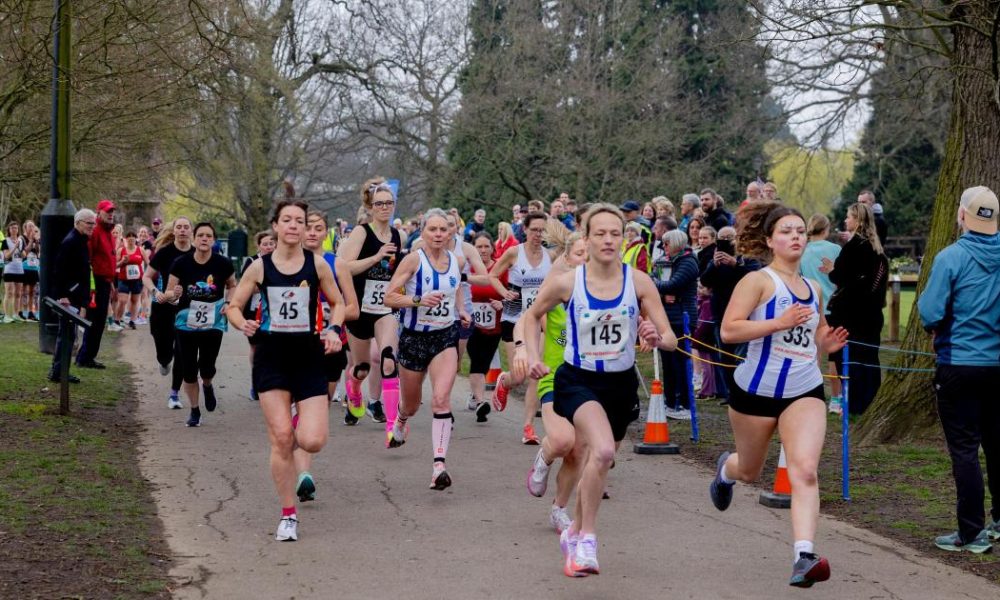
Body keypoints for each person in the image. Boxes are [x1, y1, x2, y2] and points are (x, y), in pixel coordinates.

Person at [521, 203, 676, 577]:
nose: (608, 240)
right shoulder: (567, 282)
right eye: (601, 233)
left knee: (599, 461)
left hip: (620, 386)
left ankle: (573, 531)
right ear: (586, 239)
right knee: (602, 450)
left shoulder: (639, 282)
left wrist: (656, 336)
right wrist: (531, 354)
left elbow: (670, 338)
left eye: (615, 233)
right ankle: (588, 540)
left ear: (624, 238)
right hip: (578, 380)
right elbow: (531, 315)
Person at [710, 200, 849, 588]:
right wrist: (778, 322)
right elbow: (728, 331)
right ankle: (726, 471)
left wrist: (827, 342)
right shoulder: (757, 282)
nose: (795, 237)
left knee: (804, 470)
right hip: (756, 391)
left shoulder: (814, 288)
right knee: (749, 470)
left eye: (800, 231)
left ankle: (804, 556)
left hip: (804, 390)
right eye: (786, 231)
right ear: (770, 240)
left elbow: (815, 335)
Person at [226, 198, 346, 542]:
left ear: (306, 228)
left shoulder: (317, 264)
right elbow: (234, 306)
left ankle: (294, 423)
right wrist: (242, 323)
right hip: (272, 356)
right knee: (280, 439)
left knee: (313, 440)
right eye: (287, 220)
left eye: (299, 221)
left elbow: (338, 303)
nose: (294, 226)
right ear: (276, 226)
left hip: (309, 356)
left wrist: (334, 330)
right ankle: (288, 515)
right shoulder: (259, 267)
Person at [919, 185, 1000, 554]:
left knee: (965, 448)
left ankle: (972, 532)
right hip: (996, 365)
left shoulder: (951, 257)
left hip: (960, 362)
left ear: (962, 215)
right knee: (997, 443)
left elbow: (930, 311)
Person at [383, 208, 471, 490]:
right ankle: (400, 420)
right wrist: (418, 300)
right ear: (422, 232)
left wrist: (460, 309)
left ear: (451, 231)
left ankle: (439, 466)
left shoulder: (457, 260)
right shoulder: (413, 260)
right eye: (432, 229)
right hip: (414, 338)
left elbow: (456, 287)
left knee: (441, 400)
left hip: (444, 336)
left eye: (443, 229)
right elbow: (389, 298)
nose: (438, 234)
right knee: (412, 404)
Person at [513, 225, 588, 535]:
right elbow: (525, 319)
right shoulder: (559, 289)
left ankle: (559, 509)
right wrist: (523, 350)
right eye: (580, 254)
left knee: (578, 451)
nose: (586, 259)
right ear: (568, 259)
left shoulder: (609, 291)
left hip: (591, 381)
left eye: (590, 254)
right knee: (561, 441)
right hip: (555, 375)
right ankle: (543, 459)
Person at [294, 210, 359, 501]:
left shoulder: (337, 264)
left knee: (319, 407)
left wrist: (331, 318)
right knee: (301, 410)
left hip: (331, 345)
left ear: (325, 233)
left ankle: (301, 452)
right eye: (307, 227)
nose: (311, 232)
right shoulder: (286, 263)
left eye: (318, 228)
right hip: (297, 346)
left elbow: (353, 308)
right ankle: (303, 474)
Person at [338, 177, 402, 426]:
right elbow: (344, 268)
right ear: (371, 207)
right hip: (359, 309)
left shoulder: (397, 235)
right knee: (362, 367)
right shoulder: (361, 232)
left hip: (385, 308)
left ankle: (391, 423)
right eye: (379, 204)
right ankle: (353, 390)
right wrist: (376, 257)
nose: (385, 207)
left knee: (387, 359)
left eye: (389, 203)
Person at [162, 222, 237, 427]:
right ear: (194, 239)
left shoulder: (223, 263)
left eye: (208, 236)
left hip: (213, 322)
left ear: (214, 240)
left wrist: (228, 303)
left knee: (207, 367)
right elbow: (169, 292)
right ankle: (194, 410)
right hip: (186, 323)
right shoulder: (181, 263)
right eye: (201, 235)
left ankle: (208, 385)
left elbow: (232, 285)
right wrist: (174, 294)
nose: (204, 239)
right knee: (188, 369)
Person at [491, 211, 554, 444]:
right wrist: (504, 292)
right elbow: (493, 275)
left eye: (542, 230)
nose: (538, 234)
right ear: (525, 230)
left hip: (540, 321)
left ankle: (528, 427)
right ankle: (505, 380)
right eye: (534, 229)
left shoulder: (551, 256)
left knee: (535, 373)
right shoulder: (513, 252)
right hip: (513, 318)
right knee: (519, 376)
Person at [823, 202, 888, 415]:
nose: (845, 220)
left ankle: (856, 404)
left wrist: (832, 270)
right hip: (871, 314)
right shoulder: (876, 249)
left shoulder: (854, 247)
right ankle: (868, 401)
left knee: (849, 358)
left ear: (858, 220)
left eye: (849, 217)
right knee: (868, 358)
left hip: (852, 315)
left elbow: (841, 276)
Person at [700, 226, 758, 404]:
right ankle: (731, 394)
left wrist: (735, 264)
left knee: (741, 356)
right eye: (722, 238)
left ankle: (745, 393)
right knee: (724, 356)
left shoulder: (747, 257)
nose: (725, 241)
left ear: (737, 238)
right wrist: (713, 265)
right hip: (720, 314)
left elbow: (755, 278)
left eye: (729, 237)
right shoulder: (715, 259)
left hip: (744, 314)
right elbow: (704, 280)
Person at [143, 217, 194, 409]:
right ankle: (164, 360)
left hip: (185, 307)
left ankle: (174, 394)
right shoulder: (164, 253)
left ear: (191, 231)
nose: (182, 230)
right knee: (163, 346)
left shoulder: (196, 253)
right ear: (174, 231)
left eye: (186, 227)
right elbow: (147, 277)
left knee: (181, 350)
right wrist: (155, 292)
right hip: (162, 304)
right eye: (179, 227)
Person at [652, 230, 699, 418]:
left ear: (676, 243)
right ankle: (670, 402)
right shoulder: (664, 261)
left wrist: (656, 284)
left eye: (666, 243)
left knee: (681, 362)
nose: (663, 247)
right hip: (666, 316)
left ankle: (685, 404)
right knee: (668, 363)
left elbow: (673, 284)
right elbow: (653, 282)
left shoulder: (688, 261)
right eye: (663, 243)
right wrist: (661, 291)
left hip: (683, 317)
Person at [800, 215, 843, 413]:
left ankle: (814, 396)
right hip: (833, 307)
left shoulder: (802, 251)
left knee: (813, 354)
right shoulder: (836, 250)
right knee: (835, 356)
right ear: (826, 229)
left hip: (812, 307)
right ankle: (835, 399)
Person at [48, 209, 96, 383]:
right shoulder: (71, 242)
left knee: (69, 335)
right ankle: (59, 372)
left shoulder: (81, 241)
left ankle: (59, 370)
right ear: (78, 223)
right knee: (67, 335)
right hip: (68, 297)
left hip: (74, 295)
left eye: (93, 223)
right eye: (89, 223)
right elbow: (59, 270)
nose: (92, 226)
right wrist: (63, 295)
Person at [466, 232, 506, 422]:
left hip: (494, 327)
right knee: (477, 360)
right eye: (479, 247)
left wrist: (503, 303)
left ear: (492, 248)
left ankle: (476, 395)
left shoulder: (501, 269)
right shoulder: (467, 268)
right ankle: (482, 402)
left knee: (483, 363)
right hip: (470, 325)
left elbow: (512, 293)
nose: (482, 250)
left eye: (486, 246)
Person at [77, 199, 117, 367]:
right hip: (96, 282)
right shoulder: (96, 232)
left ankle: (88, 356)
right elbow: (89, 258)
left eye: (112, 211)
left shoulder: (108, 232)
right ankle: (85, 357)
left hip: (105, 281)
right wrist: (90, 285)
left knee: (99, 322)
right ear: (99, 212)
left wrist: (111, 282)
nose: (111, 214)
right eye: (107, 211)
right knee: (95, 321)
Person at [241, 230, 276, 401]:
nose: (268, 247)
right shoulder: (252, 262)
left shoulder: (280, 261)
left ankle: (273, 381)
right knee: (256, 347)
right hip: (254, 310)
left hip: (274, 310)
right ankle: (256, 383)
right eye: (265, 244)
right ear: (259, 246)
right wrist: (266, 284)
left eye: (271, 243)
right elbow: (246, 287)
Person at [113, 231, 146, 329]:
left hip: (137, 279)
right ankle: (117, 320)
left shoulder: (140, 250)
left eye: (133, 237)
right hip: (123, 279)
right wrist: (122, 261)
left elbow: (149, 262)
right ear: (126, 239)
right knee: (122, 300)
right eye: (129, 237)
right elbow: (115, 266)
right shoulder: (121, 250)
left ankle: (132, 320)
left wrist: (148, 276)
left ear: (136, 239)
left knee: (135, 300)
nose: (131, 238)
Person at [1, 221, 24, 323]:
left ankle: (16, 314)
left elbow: (23, 255)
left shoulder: (21, 240)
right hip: (9, 269)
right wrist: (15, 247)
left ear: (18, 230)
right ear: (9, 230)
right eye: (12, 228)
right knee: (9, 293)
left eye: (16, 228)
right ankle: (6, 316)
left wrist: (20, 248)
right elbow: (6, 256)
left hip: (19, 269)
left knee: (18, 294)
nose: (14, 230)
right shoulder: (5, 241)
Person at [19, 220, 40, 321]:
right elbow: (24, 253)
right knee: (23, 291)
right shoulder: (22, 239)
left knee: (32, 291)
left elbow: (37, 252)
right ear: (25, 228)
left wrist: (36, 242)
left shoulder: (35, 238)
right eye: (30, 226)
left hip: (33, 268)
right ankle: (21, 311)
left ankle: (31, 312)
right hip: (24, 267)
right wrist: (31, 241)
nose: (32, 228)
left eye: (33, 226)